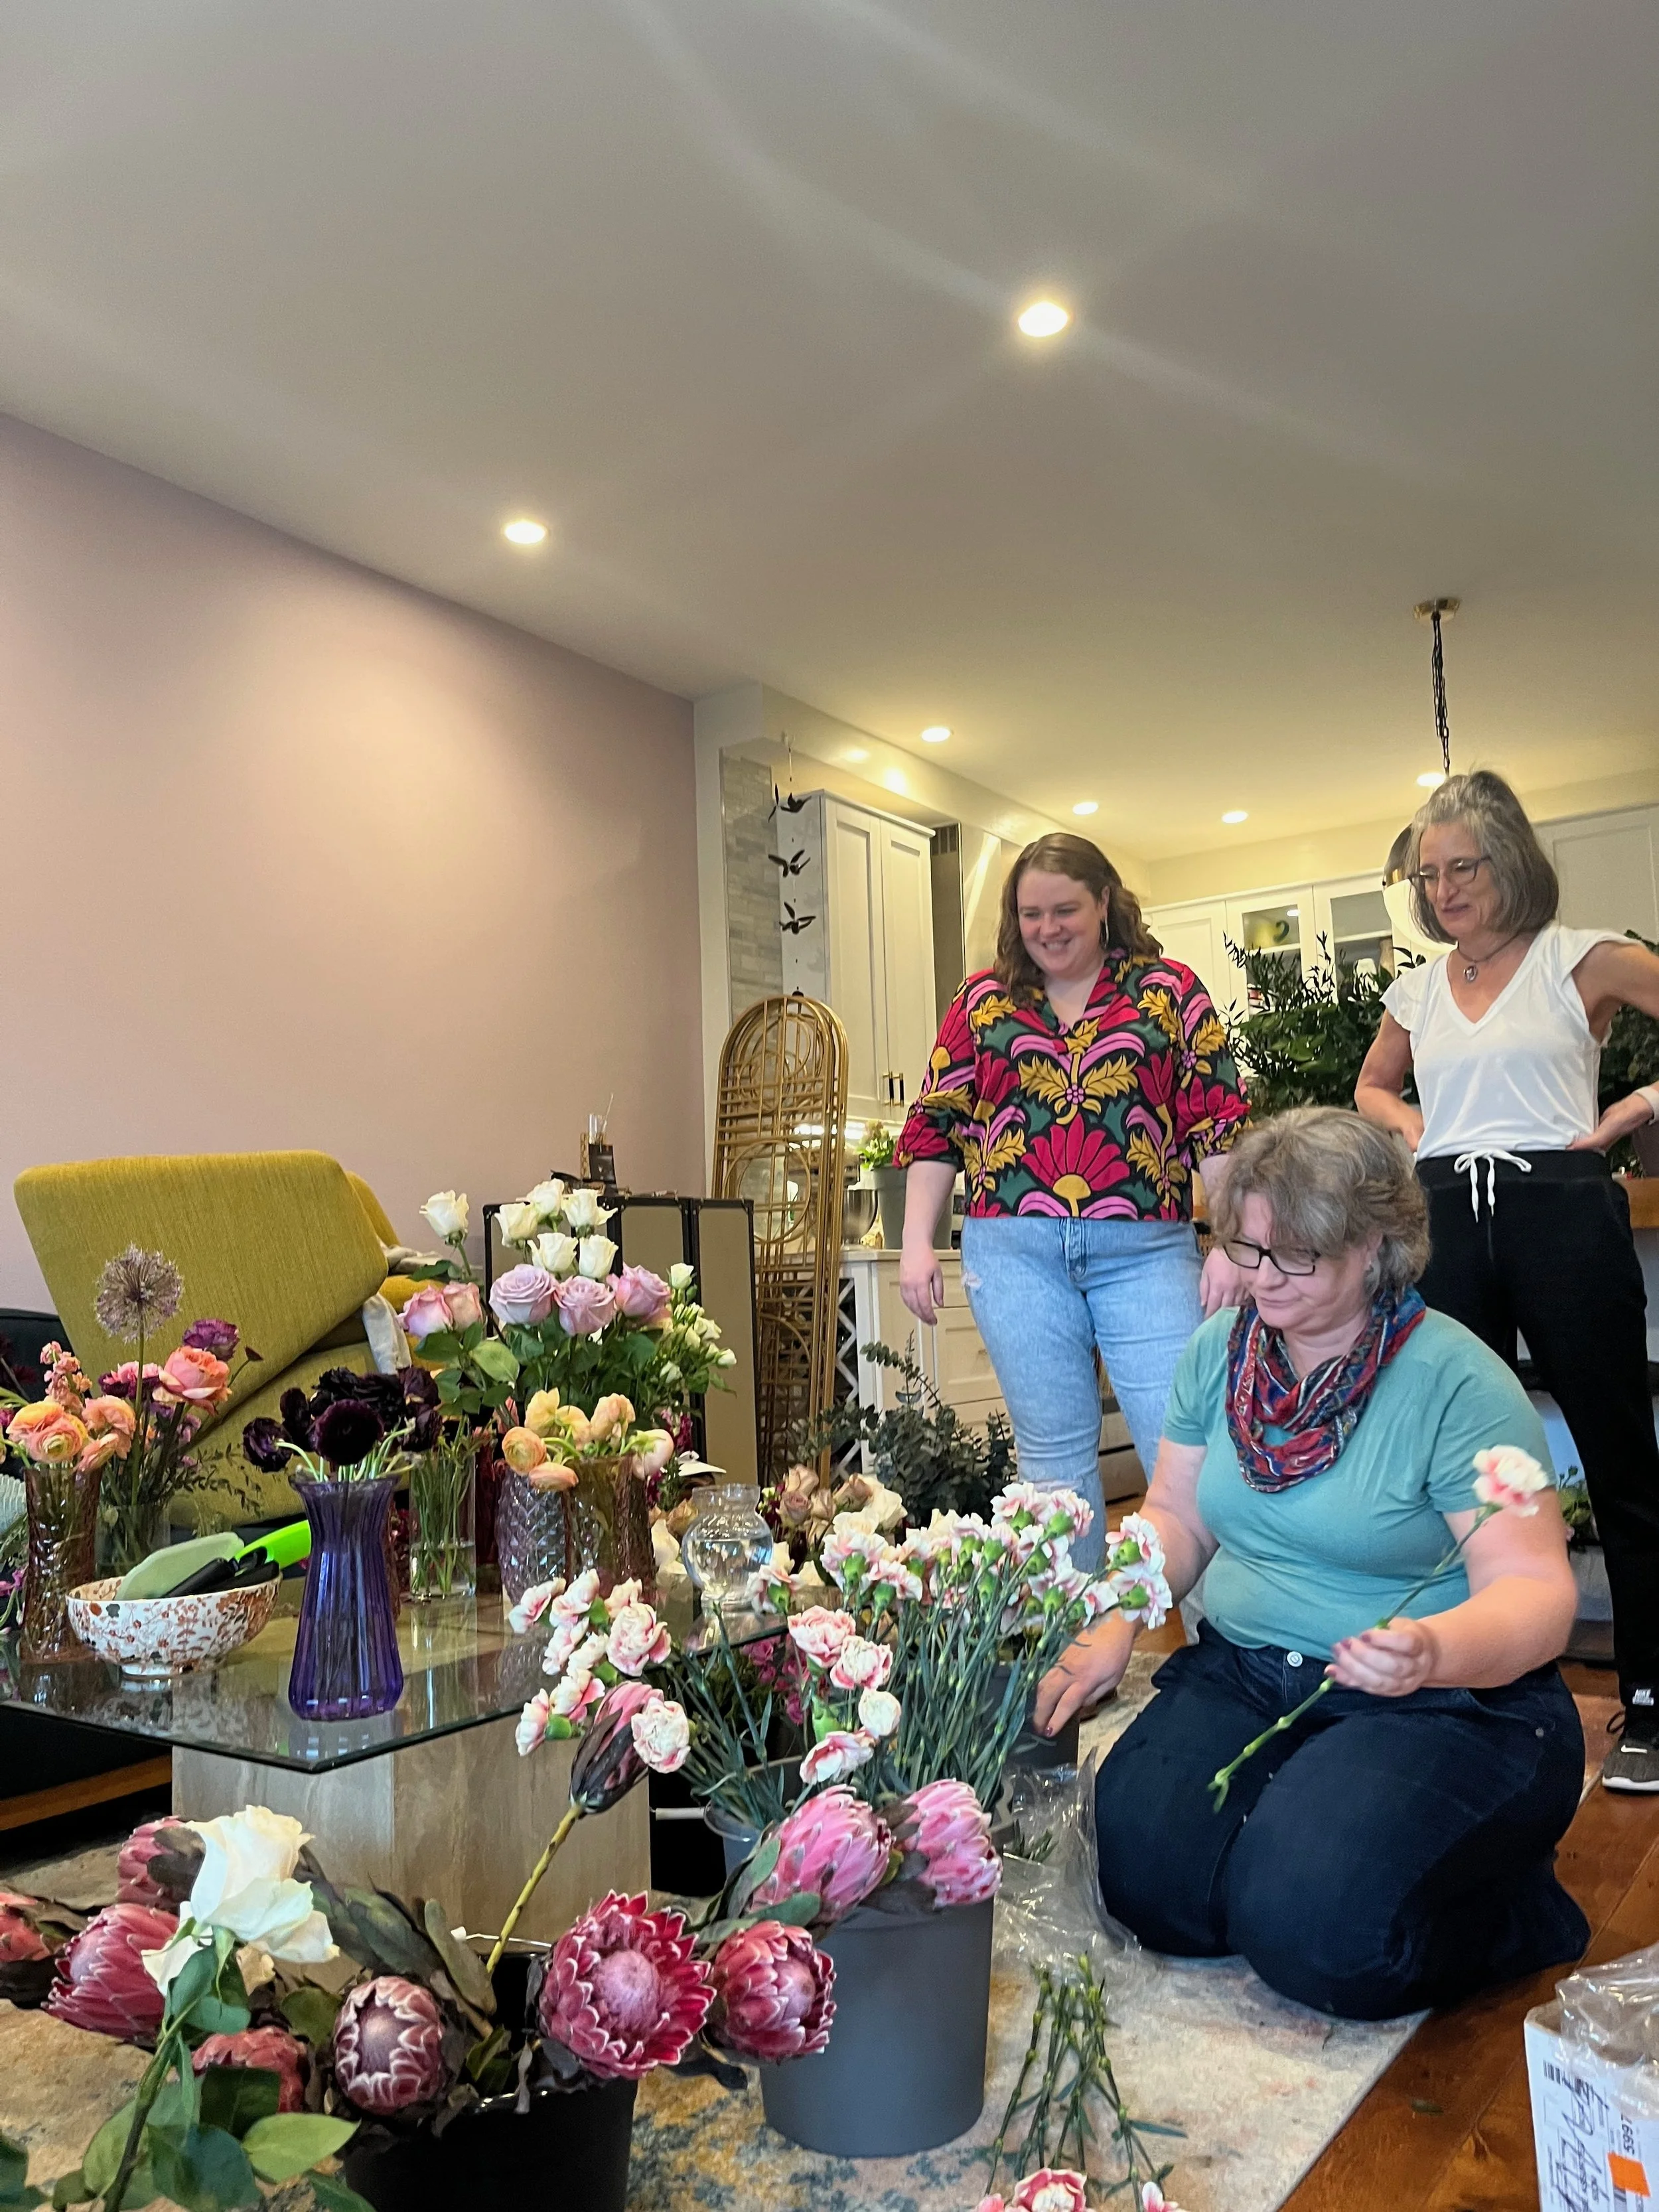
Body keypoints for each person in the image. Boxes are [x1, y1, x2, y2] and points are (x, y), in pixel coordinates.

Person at [1036, 1109, 1586, 2022]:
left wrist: (1430, 1650)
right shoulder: (1220, 1354)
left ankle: (1518, 1911)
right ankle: (1307, 1829)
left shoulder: (1456, 1382)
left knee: (1319, 1934)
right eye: (1247, 1248)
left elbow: (1537, 1594)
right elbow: (1175, 1516)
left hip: (1445, 1698)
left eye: (1295, 1256)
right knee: (1139, 1881)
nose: (1261, 1278)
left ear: (1376, 1248)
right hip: (1252, 1670)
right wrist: (1114, 1626)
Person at [1354, 769, 1659, 1792]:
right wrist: (1409, 1127)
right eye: (1429, 875)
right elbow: (1373, 1084)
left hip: (1560, 1208)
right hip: (1445, 1216)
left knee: (1618, 1451)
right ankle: (1464, 1673)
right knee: (1453, 1456)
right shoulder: (1420, 988)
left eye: (1462, 867)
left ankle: (1651, 1698)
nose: (1443, 891)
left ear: (1511, 860)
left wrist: (1631, 1113)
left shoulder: (1585, 958)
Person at [895, 832, 1248, 1571]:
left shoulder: (1170, 991)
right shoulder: (981, 1002)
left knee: (1182, 1446)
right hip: (1013, 1252)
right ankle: (1071, 1648)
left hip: (1146, 1253)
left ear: (1105, 904)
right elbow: (936, 1126)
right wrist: (916, 1242)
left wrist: (1233, 1244)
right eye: (1031, 914)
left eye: (1065, 910)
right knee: (1052, 1465)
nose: (1047, 928)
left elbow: (1216, 1124)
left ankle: (1225, 1652)